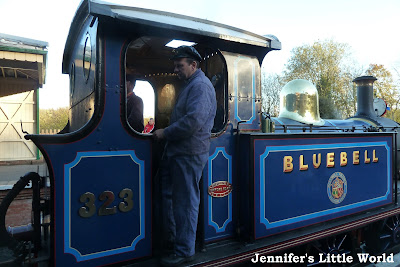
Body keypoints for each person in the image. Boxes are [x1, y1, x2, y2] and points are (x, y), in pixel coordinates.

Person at [153, 46, 217, 266]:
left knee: (185, 202)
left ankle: (184, 251)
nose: (176, 69)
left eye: (180, 66)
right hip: (178, 152)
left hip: (188, 153)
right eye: (175, 65)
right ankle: (173, 241)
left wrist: (164, 133)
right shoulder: (192, 85)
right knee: (172, 198)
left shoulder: (200, 86)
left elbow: (192, 122)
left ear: (193, 65)